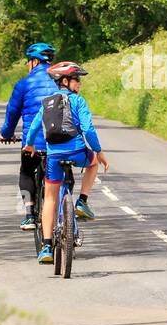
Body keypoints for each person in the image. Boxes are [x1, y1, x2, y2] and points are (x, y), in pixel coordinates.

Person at [26, 61, 109, 263]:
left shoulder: (47, 102)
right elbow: (88, 130)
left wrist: (29, 144)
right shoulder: (79, 101)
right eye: (76, 79)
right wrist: (98, 151)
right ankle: (82, 201)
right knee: (93, 163)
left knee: (50, 199)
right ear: (65, 81)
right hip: (77, 152)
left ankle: (46, 248)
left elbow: (36, 125)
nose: (79, 84)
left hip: (54, 155)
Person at [0, 42, 59, 229]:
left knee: (26, 171)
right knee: (63, 170)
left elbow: (12, 114)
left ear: (34, 61)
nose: (27, 65)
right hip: (60, 141)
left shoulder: (24, 84)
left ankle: (30, 214)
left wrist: (6, 134)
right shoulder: (61, 81)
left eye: (28, 61)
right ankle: (65, 208)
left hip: (34, 144)